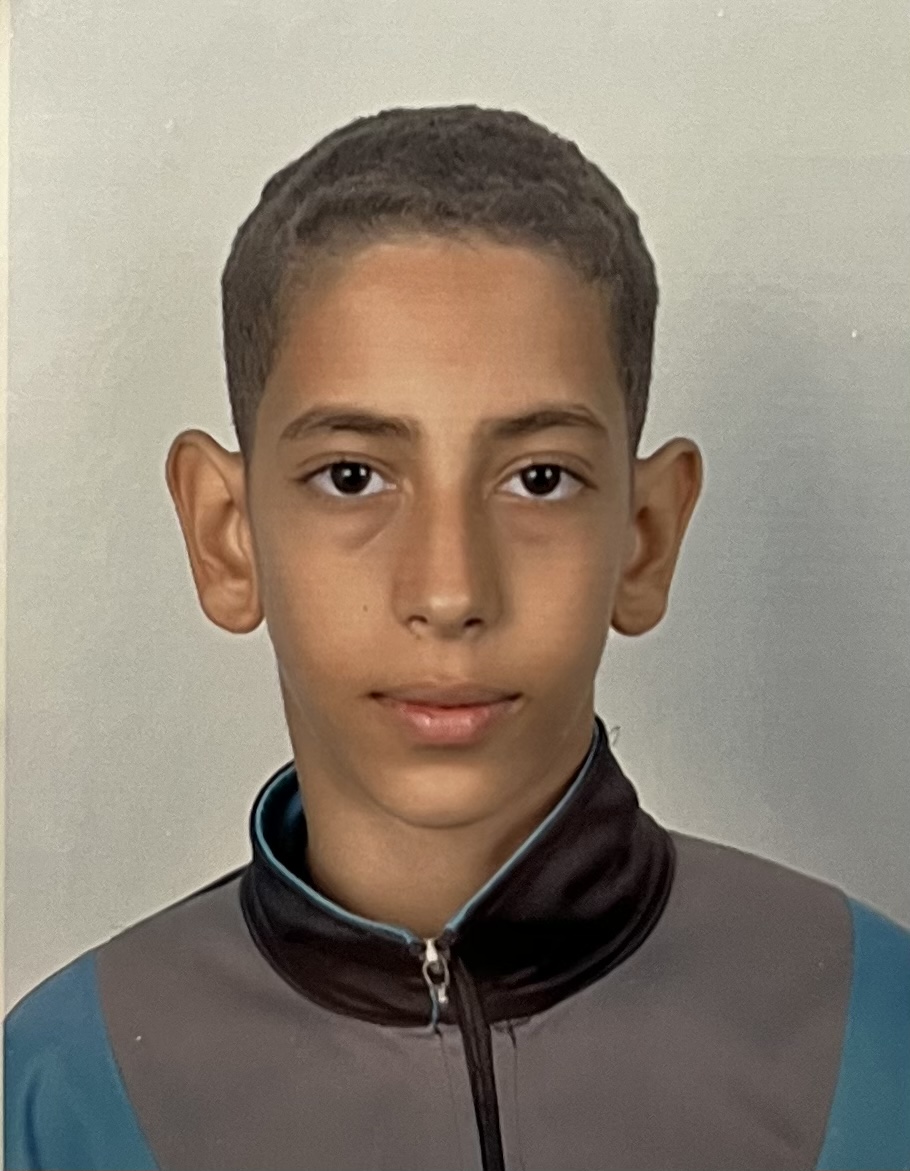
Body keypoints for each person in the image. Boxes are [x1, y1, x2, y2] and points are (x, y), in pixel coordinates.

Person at [4, 104, 909, 1171]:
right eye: (353, 476)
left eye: (539, 479)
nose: (448, 591)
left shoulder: (876, 1036)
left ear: (645, 535)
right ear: (226, 534)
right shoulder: (65, 1087)